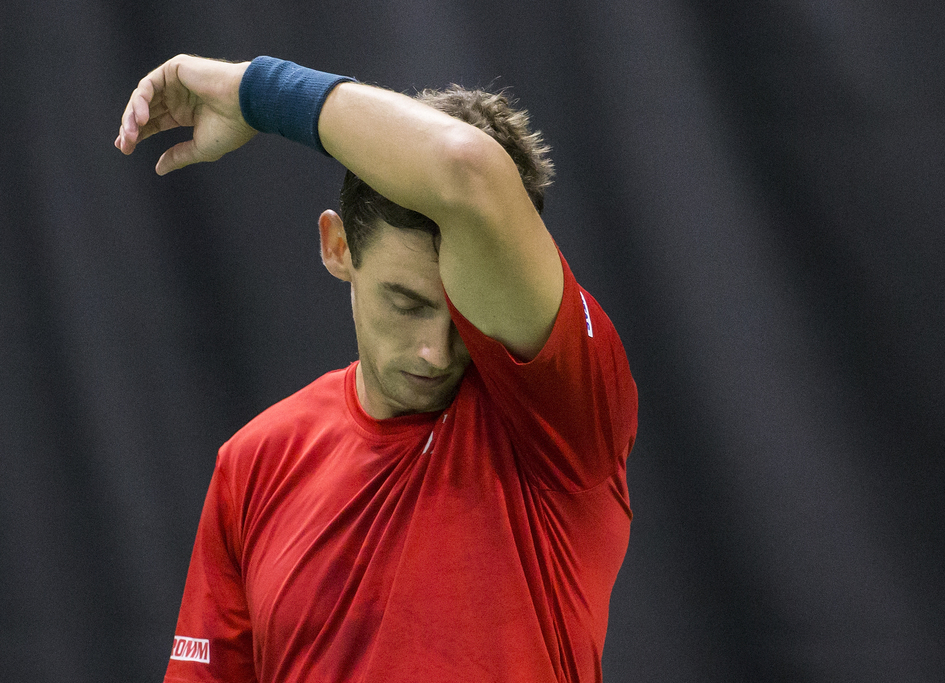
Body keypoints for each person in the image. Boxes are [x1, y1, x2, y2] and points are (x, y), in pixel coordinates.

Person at [117, 54, 638, 683]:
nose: (436, 352)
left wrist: (254, 90)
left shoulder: (565, 415)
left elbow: (464, 169)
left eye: (465, 316)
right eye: (407, 302)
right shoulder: (254, 463)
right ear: (338, 247)